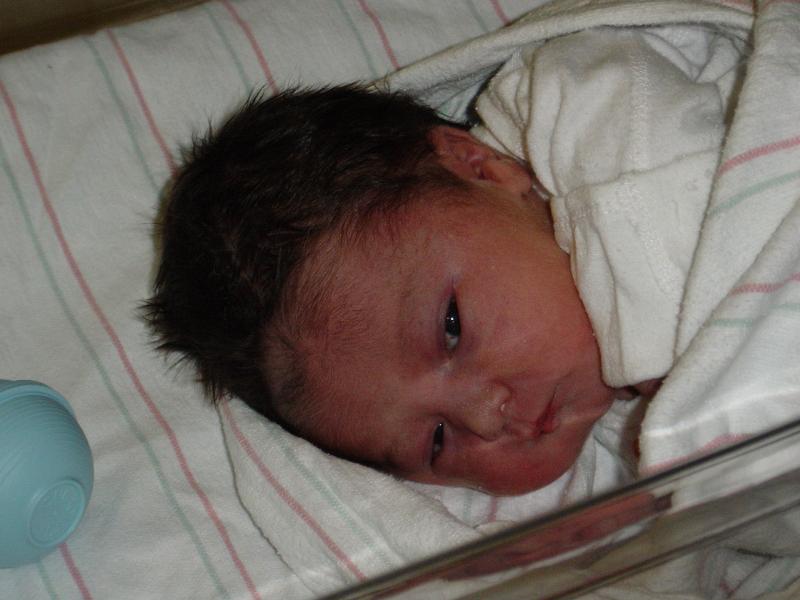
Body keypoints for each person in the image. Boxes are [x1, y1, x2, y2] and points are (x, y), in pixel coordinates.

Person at [145, 25, 738, 496]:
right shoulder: (628, 445)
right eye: (434, 443)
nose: (484, 418)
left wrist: (670, 343)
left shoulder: (585, 102)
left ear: (479, 166)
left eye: (451, 329)